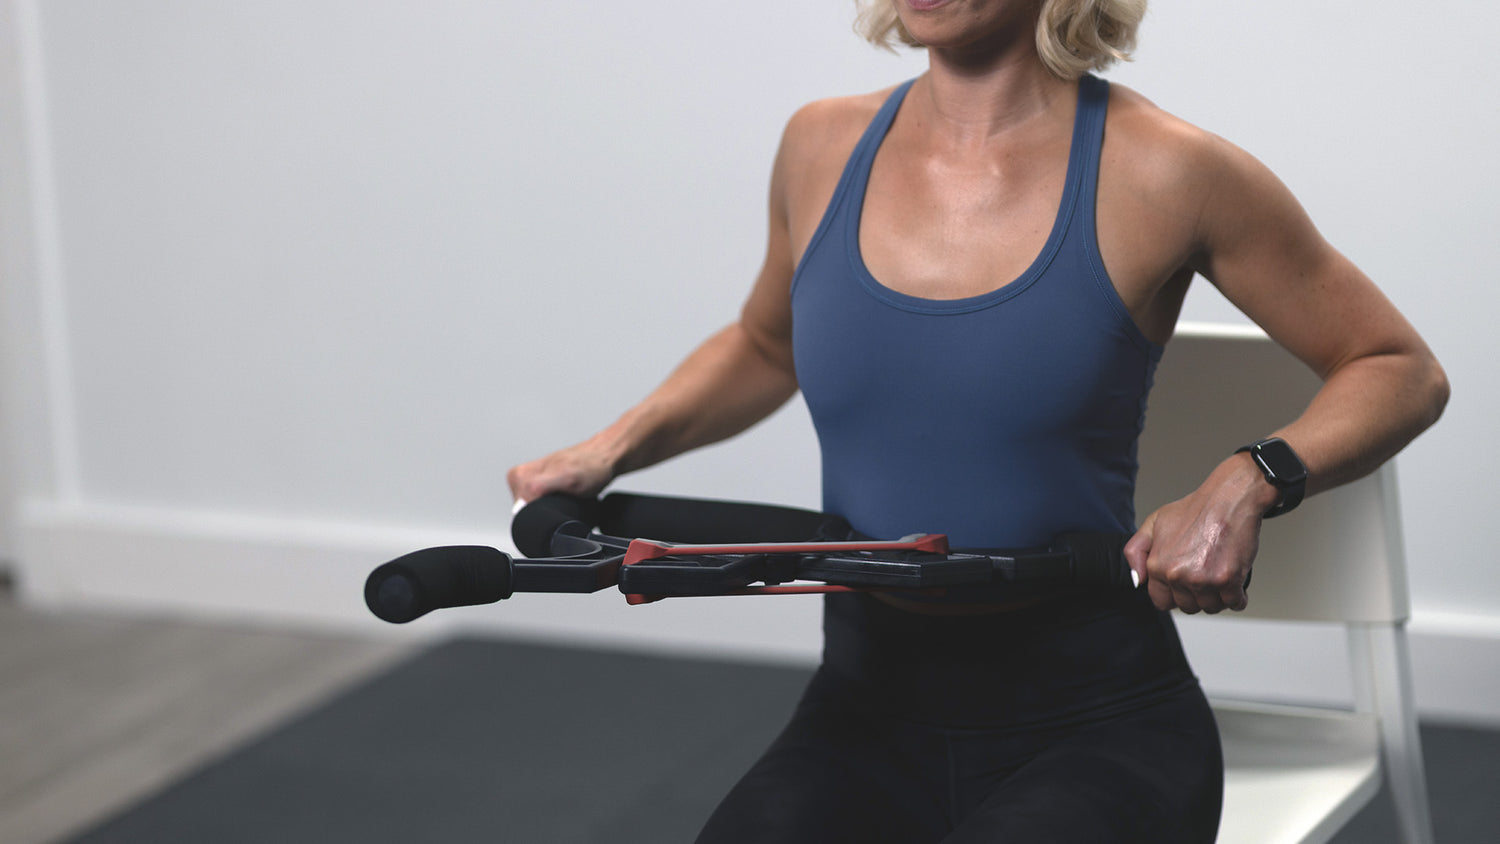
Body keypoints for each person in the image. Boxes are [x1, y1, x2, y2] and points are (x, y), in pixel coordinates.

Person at [507, 1, 1450, 841]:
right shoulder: (819, 145)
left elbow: (1396, 368)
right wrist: (609, 448)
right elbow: (766, 344)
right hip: (863, 707)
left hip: (1097, 723)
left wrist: (1250, 479)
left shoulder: (1171, 171)